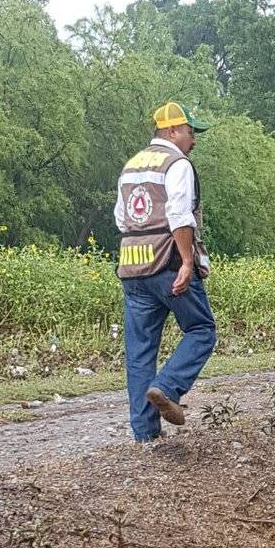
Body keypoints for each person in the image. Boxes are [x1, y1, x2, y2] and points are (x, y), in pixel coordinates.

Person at [114, 101, 216, 443]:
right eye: (190, 132)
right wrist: (187, 261)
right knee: (201, 329)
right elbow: (179, 215)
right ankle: (168, 388)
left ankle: (145, 436)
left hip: (132, 267)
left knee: (140, 351)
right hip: (167, 264)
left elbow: (120, 218)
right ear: (172, 131)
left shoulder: (131, 166)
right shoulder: (177, 163)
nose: (193, 140)